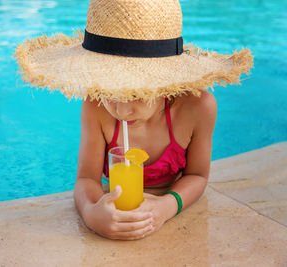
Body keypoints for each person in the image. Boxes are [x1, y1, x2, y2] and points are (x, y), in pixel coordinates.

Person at [15, 0, 253, 240]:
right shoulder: (95, 106)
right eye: (109, 92)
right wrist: (91, 213)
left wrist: (166, 207)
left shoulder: (198, 108)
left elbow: (198, 176)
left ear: (166, 81)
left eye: (136, 95)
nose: (121, 110)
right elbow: (87, 179)